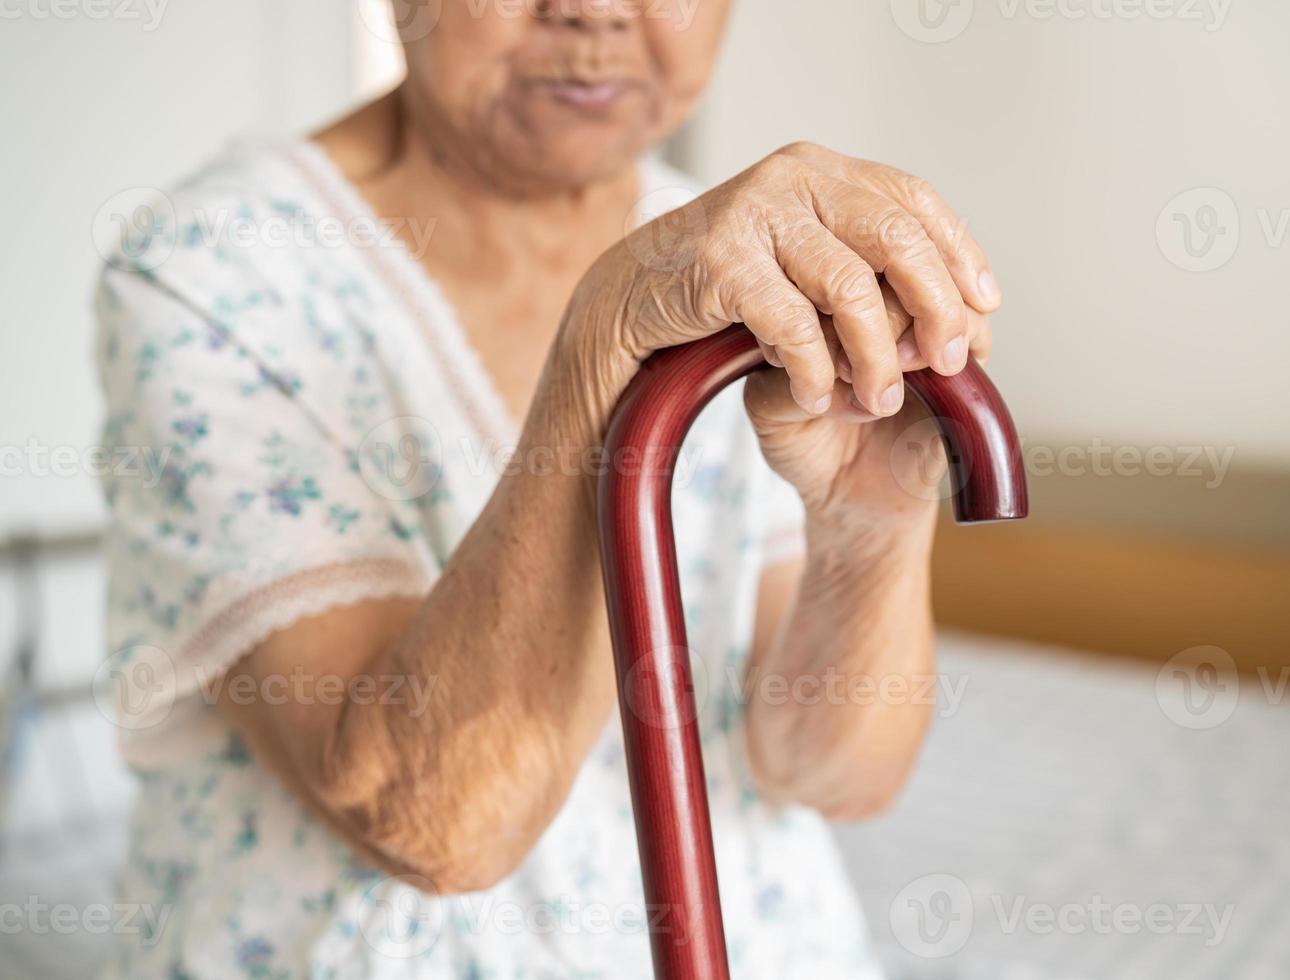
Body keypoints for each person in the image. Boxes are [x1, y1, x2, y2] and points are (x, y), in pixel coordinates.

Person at [95, 1, 1001, 975]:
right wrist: (605, 341)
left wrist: (868, 521)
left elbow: (834, 772)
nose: (596, 10)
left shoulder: (737, 258)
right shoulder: (217, 267)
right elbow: (435, 825)